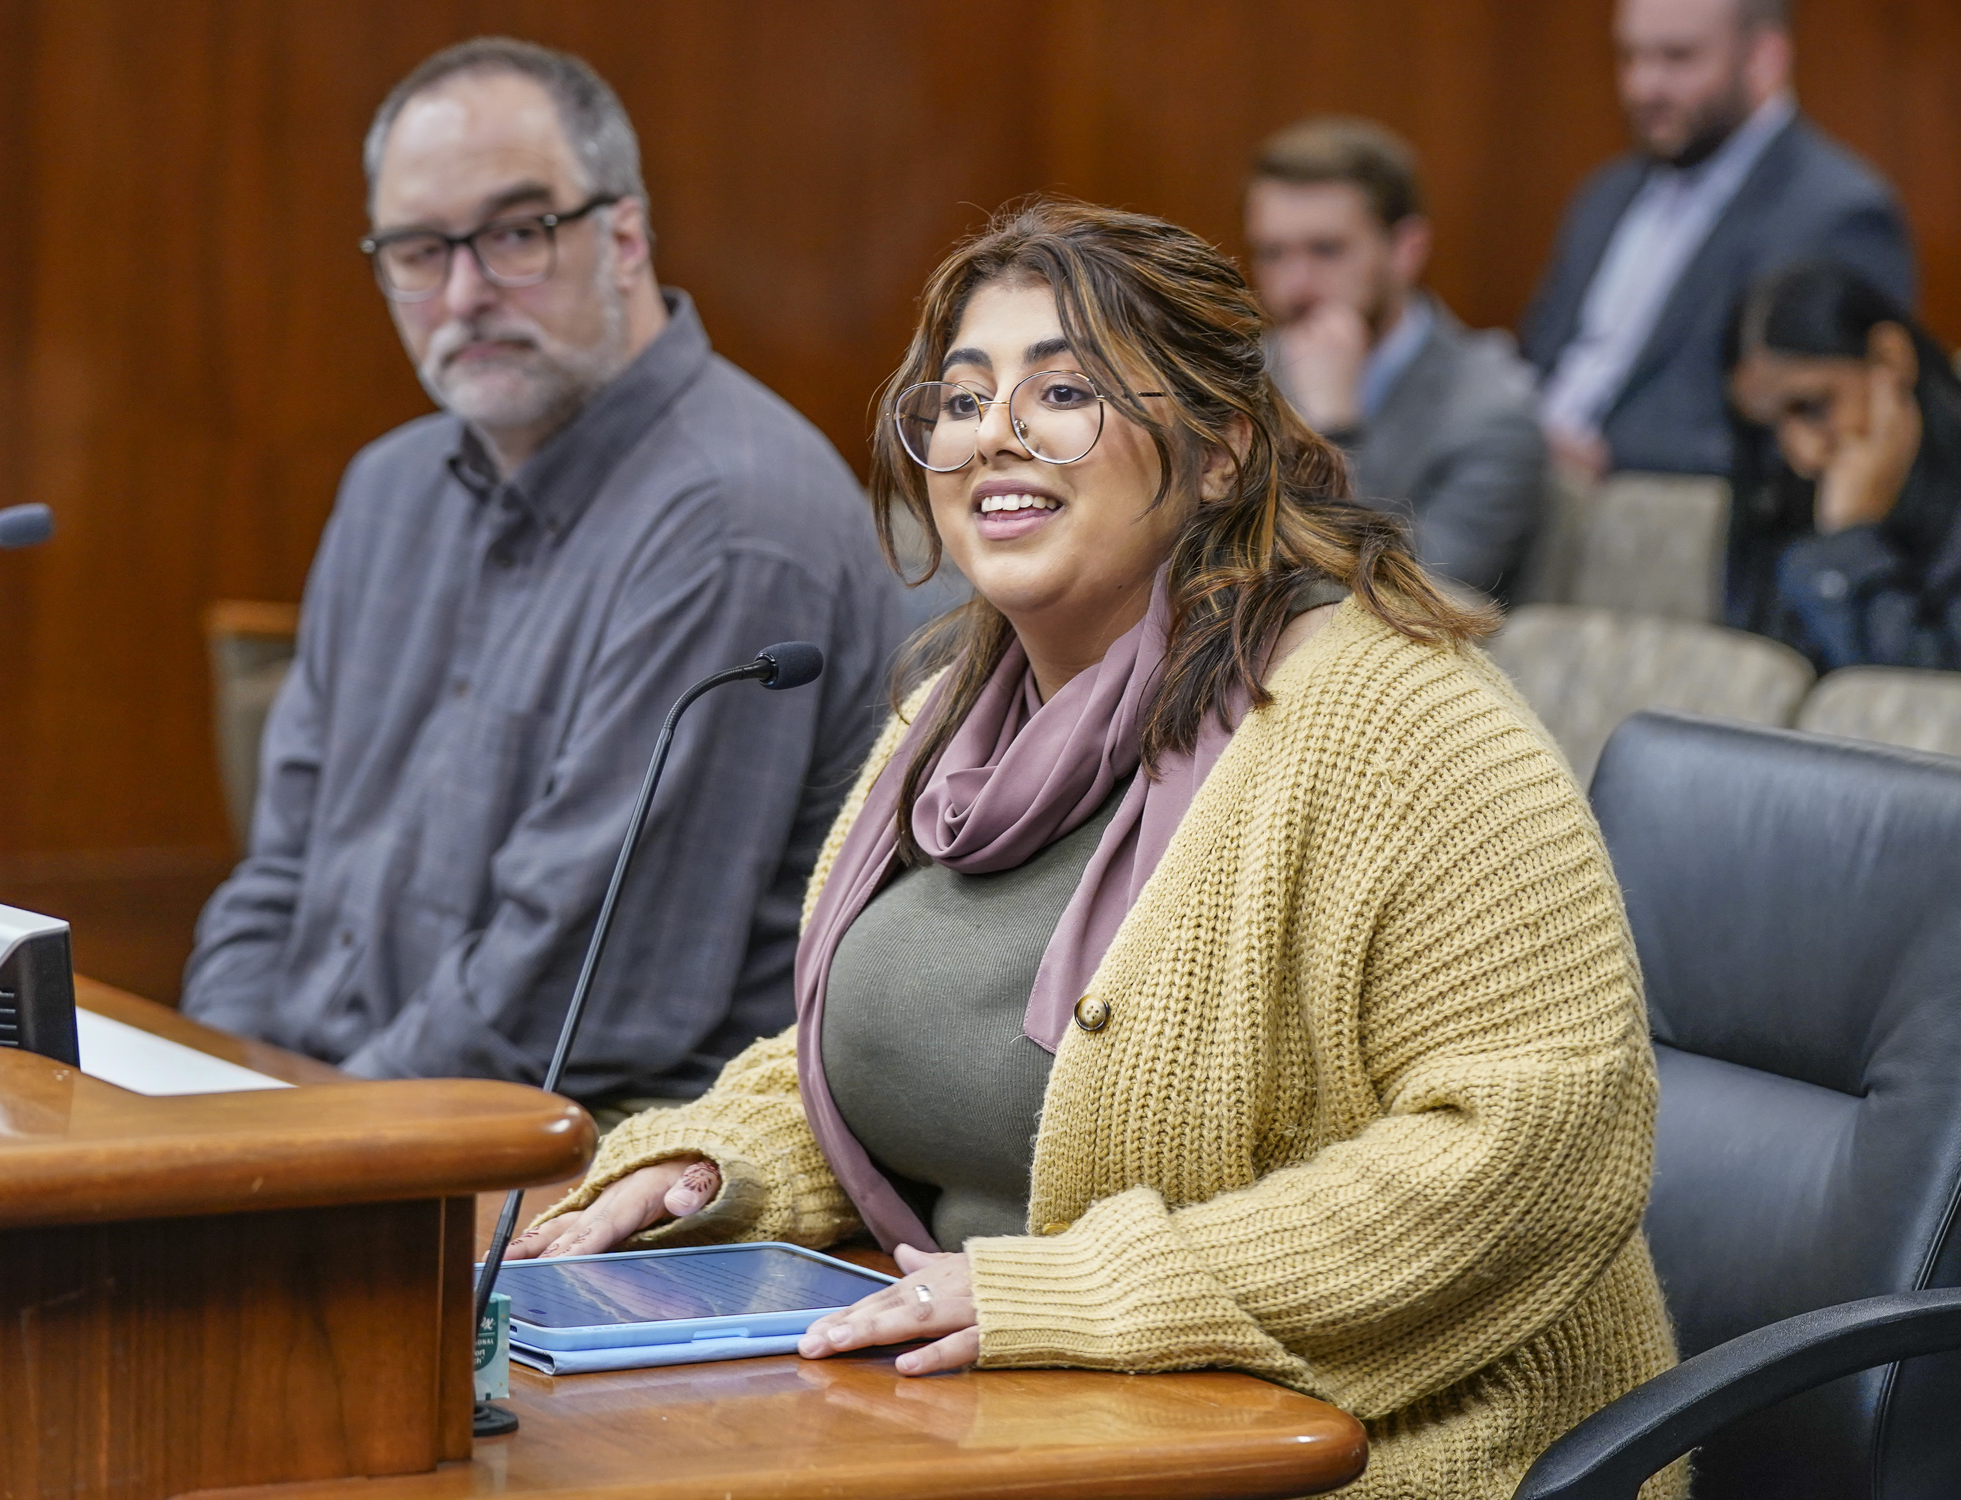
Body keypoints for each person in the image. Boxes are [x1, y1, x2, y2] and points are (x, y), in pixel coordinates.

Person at [506, 199, 1681, 1499]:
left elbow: (1538, 1154)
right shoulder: (944, 722)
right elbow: (879, 1051)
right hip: (997, 1428)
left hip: (1371, 1449)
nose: (991, 433)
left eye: (1060, 390)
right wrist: (707, 1171)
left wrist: (1082, 1294)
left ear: (1225, 449)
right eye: (958, 401)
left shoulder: (1399, 723)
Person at [180, 39, 904, 1106]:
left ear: (624, 237)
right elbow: (275, 878)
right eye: (420, 251)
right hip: (334, 1122)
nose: (464, 293)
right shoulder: (388, 489)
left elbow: (578, 996)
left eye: (517, 234)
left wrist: (294, 1139)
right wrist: (204, 1090)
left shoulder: (732, 519)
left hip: (572, 1158)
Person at [1522, 0, 1913, 481]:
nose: (1642, 86)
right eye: (1630, 56)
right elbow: (1538, 362)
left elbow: (1825, 437)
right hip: (1523, 487)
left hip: (1664, 524)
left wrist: (1608, 458)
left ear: (1764, 58)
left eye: (1678, 57)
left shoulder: (1836, 214)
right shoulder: (1606, 194)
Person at [1247, 116, 1545, 602]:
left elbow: (1424, 603)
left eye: (1326, 250)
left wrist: (1332, 431)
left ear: (1406, 251)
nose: (1294, 286)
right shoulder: (1243, 375)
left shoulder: (1492, 411)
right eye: (1272, 253)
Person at [1725, 262, 1961, 671]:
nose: (1802, 454)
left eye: (1813, 406)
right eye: (1767, 431)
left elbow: (1927, 705)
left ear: (1890, 359)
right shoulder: (1777, 492)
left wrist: (1844, 548)